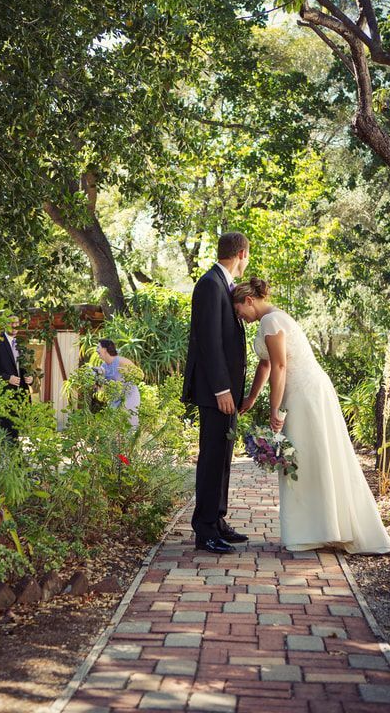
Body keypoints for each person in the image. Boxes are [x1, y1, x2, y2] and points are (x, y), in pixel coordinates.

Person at [232, 277, 390, 554]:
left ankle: (319, 529)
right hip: (299, 392)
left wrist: (275, 410)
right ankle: (320, 528)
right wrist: (251, 397)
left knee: (306, 457)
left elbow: (280, 366)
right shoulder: (270, 320)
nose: (240, 317)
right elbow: (265, 364)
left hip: (304, 394)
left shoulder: (271, 322)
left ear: (249, 300)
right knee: (305, 459)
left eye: (239, 311)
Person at [182, 232, 250, 554]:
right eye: (247, 255)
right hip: (215, 393)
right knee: (211, 459)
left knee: (224, 459)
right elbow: (209, 342)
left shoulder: (225, 286)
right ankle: (204, 529)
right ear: (241, 253)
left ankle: (217, 519)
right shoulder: (210, 284)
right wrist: (223, 389)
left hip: (227, 394)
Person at [0, 316, 33, 442]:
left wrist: (30, 378)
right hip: (4, 395)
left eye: (17, 323)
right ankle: (9, 459)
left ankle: (15, 458)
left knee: (17, 432)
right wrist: (7, 378)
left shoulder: (20, 343)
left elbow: (23, 369)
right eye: (11, 323)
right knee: (8, 432)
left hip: (20, 396)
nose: (14, 326)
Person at [97, 339, 141, 427]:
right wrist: (97, 379)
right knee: (112, 424)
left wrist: (126, 374)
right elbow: (101, 388)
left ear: (105, 349)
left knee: (130, 422)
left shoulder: (121, 361)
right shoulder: (103, 366)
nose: (96, 350)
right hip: (115, 398)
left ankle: (133, 440)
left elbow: (139, 374)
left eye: (98, 347)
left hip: (130, 396)